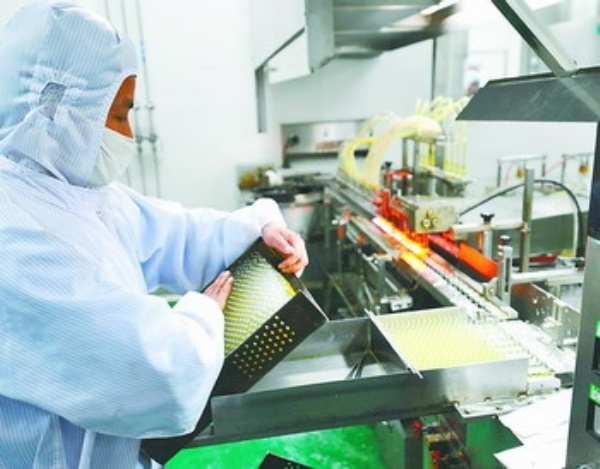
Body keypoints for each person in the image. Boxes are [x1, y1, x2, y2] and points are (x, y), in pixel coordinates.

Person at [0, 1, 308, 468]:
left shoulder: (76, 193)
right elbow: (159, 372)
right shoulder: (14, 234)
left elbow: (170, 234)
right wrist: (204, 313)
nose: (127, 134)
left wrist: (257, 233)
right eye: (119, 115)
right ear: (56, 107)